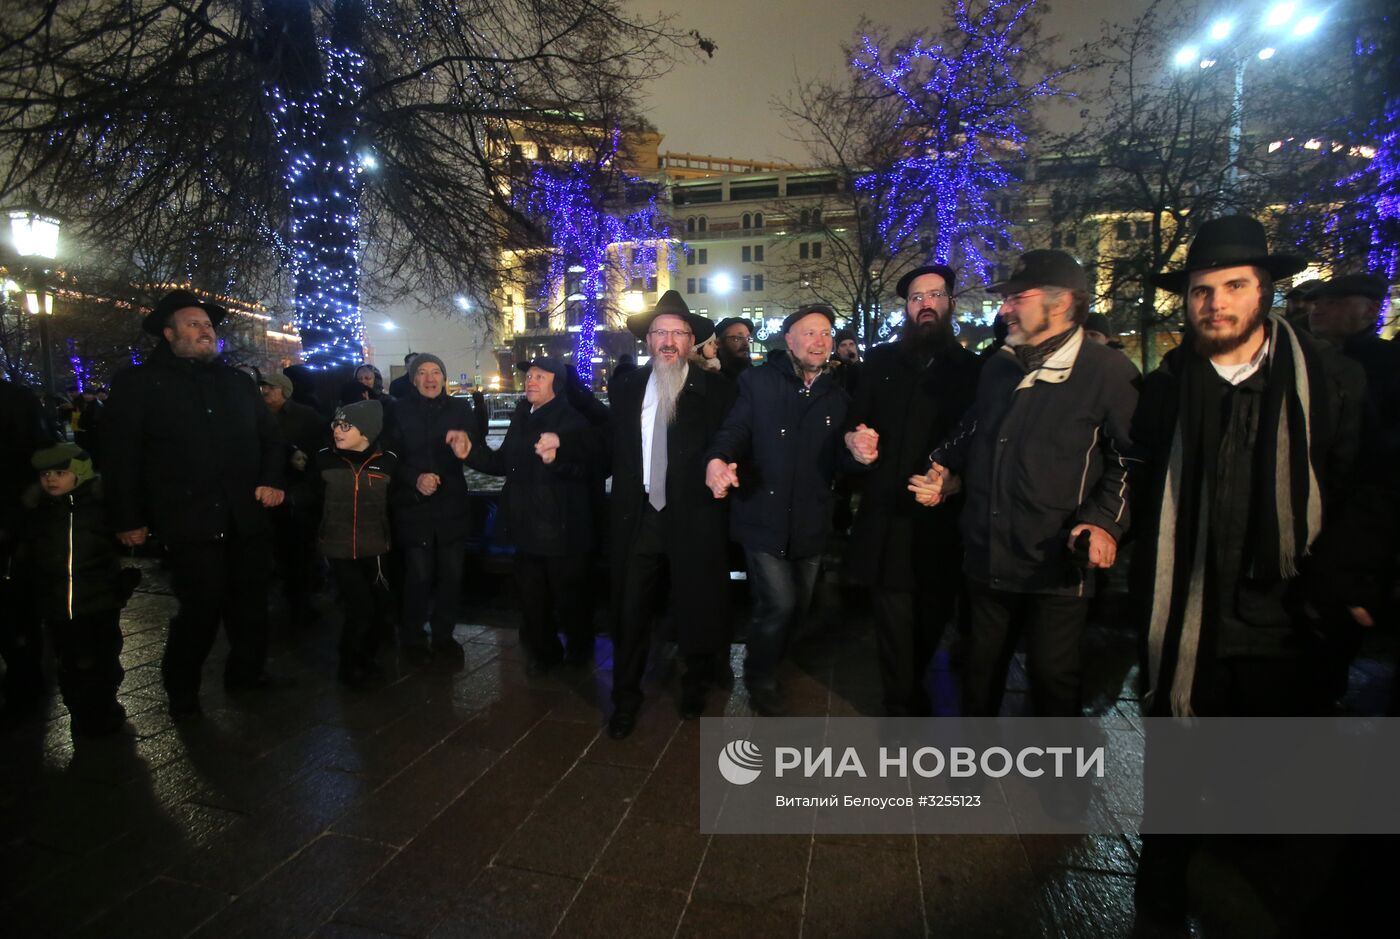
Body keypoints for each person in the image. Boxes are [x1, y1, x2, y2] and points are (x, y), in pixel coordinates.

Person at [1127, 216, 1368, 923]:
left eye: (1234, 286)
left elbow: (1360, 489)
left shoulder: (1330, 384)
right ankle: (1158, 908)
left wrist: (1348, 580)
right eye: (1202, 290)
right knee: (1171, 787)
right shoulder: (1168, 385)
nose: (1215, 304)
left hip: (1285, 621)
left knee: (1268, 789)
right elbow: (1138, 475)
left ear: (1264, 292)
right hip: (1186, 619)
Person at [916, 251, 1138, 719]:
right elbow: (974, 428)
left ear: (1060, 304)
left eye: (1018, 298)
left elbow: (1131, 460)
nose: (1004, 310)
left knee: (1053, 677)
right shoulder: (1000, 365)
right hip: (987, 547)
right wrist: (942, 467)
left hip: (1055, 561)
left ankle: (1059, 787)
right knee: (979, 668)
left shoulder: (1108, 372)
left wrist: (1103, 524)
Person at [101, 289, 286, 719]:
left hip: (245, 515)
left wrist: (271, 481)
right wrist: (129, 518)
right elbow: (121, 456)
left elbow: (271, 441)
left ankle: (246, 675)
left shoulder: (237, 382)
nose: (205, 331)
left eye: (207, 325)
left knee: (251, 605)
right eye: (193, 324)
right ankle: (182, 690)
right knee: (200, 608)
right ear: (169, 334)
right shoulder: (139, 384)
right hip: (190, 518)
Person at [842, 265, 983, 716]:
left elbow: (984, 443)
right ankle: (899, 703)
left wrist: (955, 481)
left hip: (944, 522)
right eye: (916, 298)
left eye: (934, 295)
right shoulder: (881, 361)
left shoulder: (973, 370)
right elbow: (854, 422)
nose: (925, 304)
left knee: (931, 616)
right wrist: (853, 440)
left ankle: (913, 681)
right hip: (888, 517)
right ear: (907, 309)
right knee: (893, 618)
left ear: (950, 304)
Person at [706, 303, 851, 716]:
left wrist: (860, 455)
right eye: (809, 332)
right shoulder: (758, 382)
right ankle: (759, 675)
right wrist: (718, 459)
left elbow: (843, 460)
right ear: (789, 340)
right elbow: (735, 429)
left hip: (811, 519)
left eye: (825, 332)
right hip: (762, 515)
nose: (819, 340)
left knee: (799, 606)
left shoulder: (838, 394)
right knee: (780, 604)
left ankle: (772, 657)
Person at [606, 291, 737, 738]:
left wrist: (725, 465)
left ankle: (695, 683)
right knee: (630, 608)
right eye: (659, 332)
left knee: (695, 602)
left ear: (692, 342)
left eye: (678, 333)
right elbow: (609, 445)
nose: (668, 340)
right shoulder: (624, 387)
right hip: (637, 515)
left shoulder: (717, 390)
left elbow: (733, 441)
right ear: (647, 340)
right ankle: (624, 698)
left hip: (694, 515)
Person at [465, 357, 602, 673]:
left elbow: (585, 470)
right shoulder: (522, 415)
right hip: (525, 525)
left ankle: (579, 652)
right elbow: (504, 465)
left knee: (569, 598)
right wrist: (469, 453)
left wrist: (557, 459)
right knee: (532, 598)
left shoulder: (572, 419)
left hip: (561, 529)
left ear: (557, 383)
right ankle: (545, 653)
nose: (531, 380)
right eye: (529, 375)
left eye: (540, 376)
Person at [18, 444, 135, 736]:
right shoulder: (39, 511)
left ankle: (105, 707)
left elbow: (120, 543)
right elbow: (30, 556)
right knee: (72, 663)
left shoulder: (99, 507)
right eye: (46, 473)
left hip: (99, 602)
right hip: (58, 606)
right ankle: (82, 713)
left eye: (60, 472)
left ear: (79, 474)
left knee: (105, 658)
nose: (51, 479)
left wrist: (120, 582)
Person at [385, 352, 476, 660]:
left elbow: (474, 446)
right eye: (422, 373)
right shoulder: (398, 411)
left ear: (444, 377)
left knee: (451, 576)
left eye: (435, 371)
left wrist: (466, 445)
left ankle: (443, 636)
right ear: (413, 380)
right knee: (418, 576)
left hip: (452, 506)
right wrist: (414, 479)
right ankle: (411, 636)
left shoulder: (461, 409)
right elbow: (389, 457)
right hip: (414, 507)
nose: (429, 378)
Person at [313, 399, 397, 687]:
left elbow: (397, 500)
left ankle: (369, 659)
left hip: (375, 548)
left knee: (377, 607)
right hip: (338, 548)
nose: (337, 430)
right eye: (336, 424)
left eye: (346, 426)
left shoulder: (387, 461)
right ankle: (350, 667)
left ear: (367, 432)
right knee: (358, 608)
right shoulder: (324, 458)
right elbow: (310, 497)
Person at [1, 376, 55, 716]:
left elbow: (42, 454)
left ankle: (26, 684)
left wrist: (19, 511)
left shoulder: (14, 400)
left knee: (14, 612)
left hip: (10, 522)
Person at [260, 372, 325, 624]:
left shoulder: (305, 416)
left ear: (284, 390)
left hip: (298, 496)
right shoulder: (259, 416)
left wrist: (303, 461)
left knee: (300, 553)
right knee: (278, 552)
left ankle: (301, 602)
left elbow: (320, 447)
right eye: (263, 387)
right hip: (268, 494)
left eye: (271, 387)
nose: (265, 391)